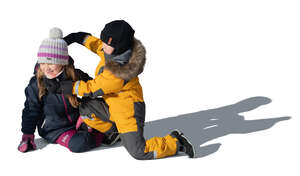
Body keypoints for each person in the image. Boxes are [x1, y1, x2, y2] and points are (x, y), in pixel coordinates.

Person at [59, 20, 196, 159]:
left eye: (107, 44)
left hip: (128, 112)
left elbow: (92, 88)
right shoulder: (110, 50)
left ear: (119, 47)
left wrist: (65, 87)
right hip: (112, 105)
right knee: (86, 108)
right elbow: (96, 44)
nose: (103, 45)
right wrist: (76, 37)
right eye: (104, 41)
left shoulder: (119, 71)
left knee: (138, 151)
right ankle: (114, 134)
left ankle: (175, 141)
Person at [18, 28, 104, 153]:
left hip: (79, 121)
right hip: (56, 130)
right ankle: (103, 137)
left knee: (110, 121)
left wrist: (86, 114)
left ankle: (102, 131)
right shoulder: (36, 83)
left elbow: (92, 92)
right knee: (78, 144)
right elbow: (31, 110)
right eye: (42, 63)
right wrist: (27, 135)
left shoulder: (75, 75)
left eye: (51, 63)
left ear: (63, 62)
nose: (46, 68)